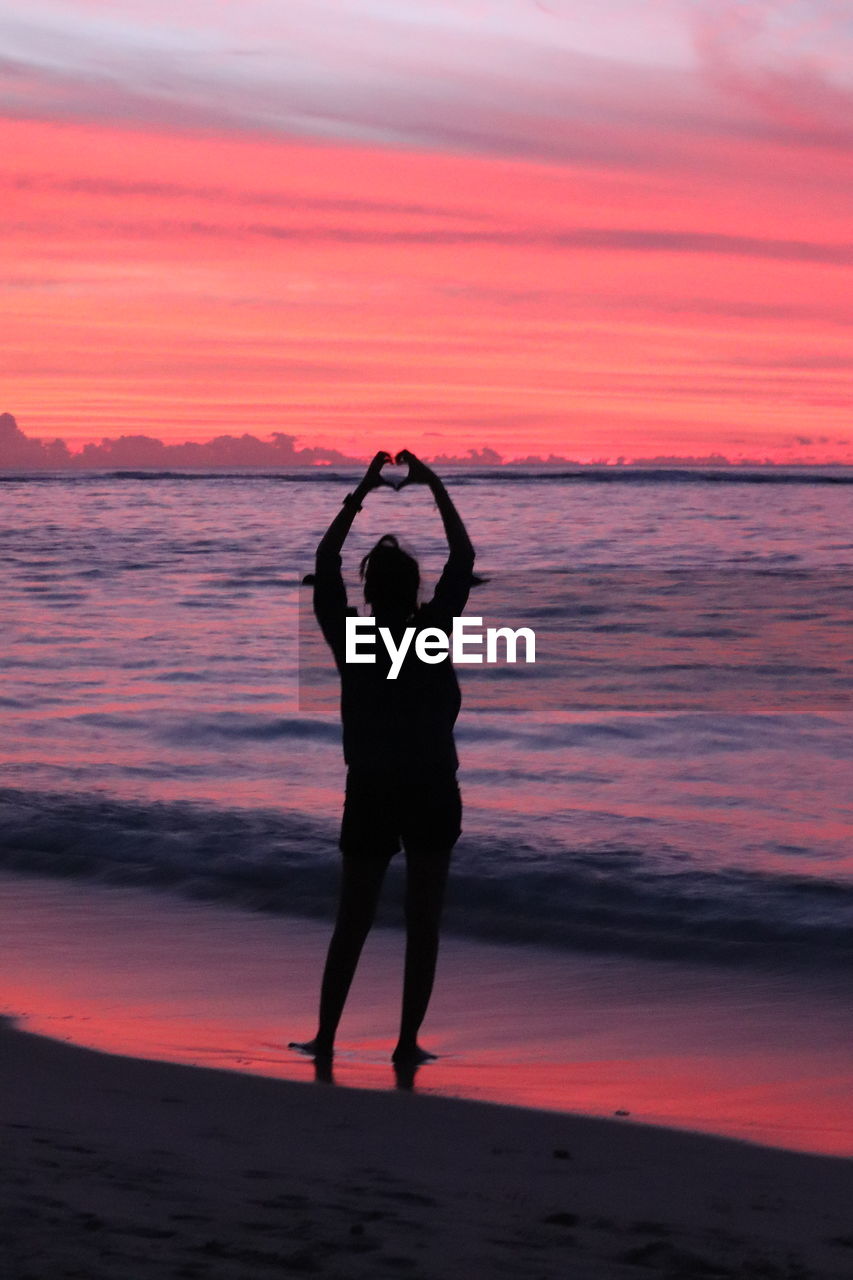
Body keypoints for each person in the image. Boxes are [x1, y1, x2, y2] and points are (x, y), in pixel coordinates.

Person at [291, 449, 476, 1065]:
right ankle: (404, 1043)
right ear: (414, 590)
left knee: (354, 919)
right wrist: (435, 486)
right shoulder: (434, 631)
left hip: (372, 788)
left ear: (369, 591)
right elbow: (464, 557)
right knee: (422, 921)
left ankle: (326, 1037)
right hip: (427, 788)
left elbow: (323, 562)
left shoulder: (354, 639)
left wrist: (364, 489)